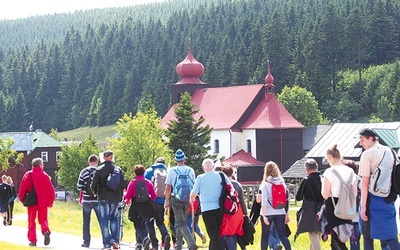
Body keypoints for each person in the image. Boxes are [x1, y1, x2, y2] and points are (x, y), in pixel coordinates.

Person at [358, 128, 400, 250]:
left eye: (362, 140)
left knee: (367, 235)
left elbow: (365, 183)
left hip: (372, 198)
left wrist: (363, 206)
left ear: (371, 138)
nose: (361, 143)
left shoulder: (367, 154)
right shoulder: (390, 151)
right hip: (388, 198)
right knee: (390, 236)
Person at [321, 144, 357, 249]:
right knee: (340, 239)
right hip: (348, 206)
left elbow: (325, 194)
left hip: (334, 207)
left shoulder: (329, 172)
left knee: (336, 239)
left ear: (330, 157)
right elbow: (354, 192)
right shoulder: (350, 171)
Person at [190, 158, 229, 250]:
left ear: (203, 167)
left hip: (207, 209)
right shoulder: (221, 175)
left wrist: (191, 201)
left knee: (213, 234)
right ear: (213, 167)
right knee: (216, 233)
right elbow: (229, 186)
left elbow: (193, 193)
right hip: (220, 208)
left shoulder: (200, 178)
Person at [91, 150, 126, 249]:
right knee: (114, 218)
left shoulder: (99, 169)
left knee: (104, 220)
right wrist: (120, 197)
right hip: (114, 198)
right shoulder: (117, 169)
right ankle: (114, 240)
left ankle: (106, 244)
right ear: (111, 157)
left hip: (102, 197)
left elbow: (93, 185)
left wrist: (95, 192)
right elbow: (122, 184)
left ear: (103, 158)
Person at [18, 157, 55, 247]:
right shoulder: (45, 175)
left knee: (31, 221)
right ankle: (45, 231)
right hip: (43, 201)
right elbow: (51, 190)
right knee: (43, 219)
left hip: (32, 202)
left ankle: (33, 240)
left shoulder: (28, 174)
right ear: (40, 165)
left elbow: (22, 188)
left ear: (33, 165)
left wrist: (22, 199)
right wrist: (51, 201)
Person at [165, 149, 197, 250]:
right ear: (184, 160)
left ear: (176, 160)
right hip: (187, 199)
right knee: (181, 221)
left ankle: (191, 243)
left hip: (176, 199)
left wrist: (166, 201)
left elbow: (168, 187)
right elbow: (194, 184)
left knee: (181, 223)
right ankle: (178, 245)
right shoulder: (190, 170)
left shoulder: (172, 171)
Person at [258, 161, 291, 250]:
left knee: (265, 236)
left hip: (268, 212)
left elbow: (263, 200)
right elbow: (286, 198)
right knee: (282, 235)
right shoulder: (282, 182)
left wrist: (264, 215)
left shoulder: (264, 184)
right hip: (280, 211)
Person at [125, 164, 157, 250]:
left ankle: (143, 240)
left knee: (137, 225)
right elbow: (154, 195)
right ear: (144, 172)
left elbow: (128, 195)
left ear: (135, 173)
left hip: (136, 205)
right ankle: (142, 243)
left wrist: (126, 202)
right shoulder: (148, 182)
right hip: (146, 205)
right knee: (144, 224)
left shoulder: (132, 182)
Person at [295, 158, 324, 250]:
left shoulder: (306, 180)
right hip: (323, 208)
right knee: (317, 235)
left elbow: (298, 197)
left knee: (313, 234)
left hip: (310, 210)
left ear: (307, 170)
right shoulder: (323, 179)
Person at [144, 157, 171, 250]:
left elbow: (144, 186)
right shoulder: (167, 172)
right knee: (160, 222)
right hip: (161, 202)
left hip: (151, 201)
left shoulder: (149, 171)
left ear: (155, 162)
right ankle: (165, 235)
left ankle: (155, 244)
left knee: (149, 223)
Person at [76, 154, 101, 248]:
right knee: (102, 220)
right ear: (97, 162)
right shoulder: (99, 171)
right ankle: (105, 240)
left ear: (88, 161)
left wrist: (85, 190)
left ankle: (86, 242)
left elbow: (79, 186)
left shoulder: (83, 172)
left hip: (86, 200)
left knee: (86, 221)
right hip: (97, 200)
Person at [220, 165, 245, 250]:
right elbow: (242, 200)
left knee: (228, 233)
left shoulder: (223, 185)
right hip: (238, 212)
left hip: (227, 212)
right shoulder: (237, 184)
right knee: (234, 232)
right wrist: (245, 213)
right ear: (232, 173)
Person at [342, 159, 361, 250]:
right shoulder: (360, 180)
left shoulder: (344, 181)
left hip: (345, 215)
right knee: (355, 242)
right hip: (359, 215)